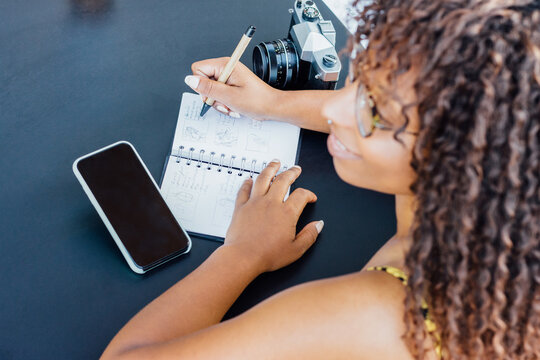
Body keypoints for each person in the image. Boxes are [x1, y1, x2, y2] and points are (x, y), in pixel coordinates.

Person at [102, 0, 540, 358]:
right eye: (359, 79)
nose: (332, 111)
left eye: (374, 115)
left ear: (465, 161)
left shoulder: (380, 316)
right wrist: (273, 103)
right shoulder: (511, 207)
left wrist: (243, 254)